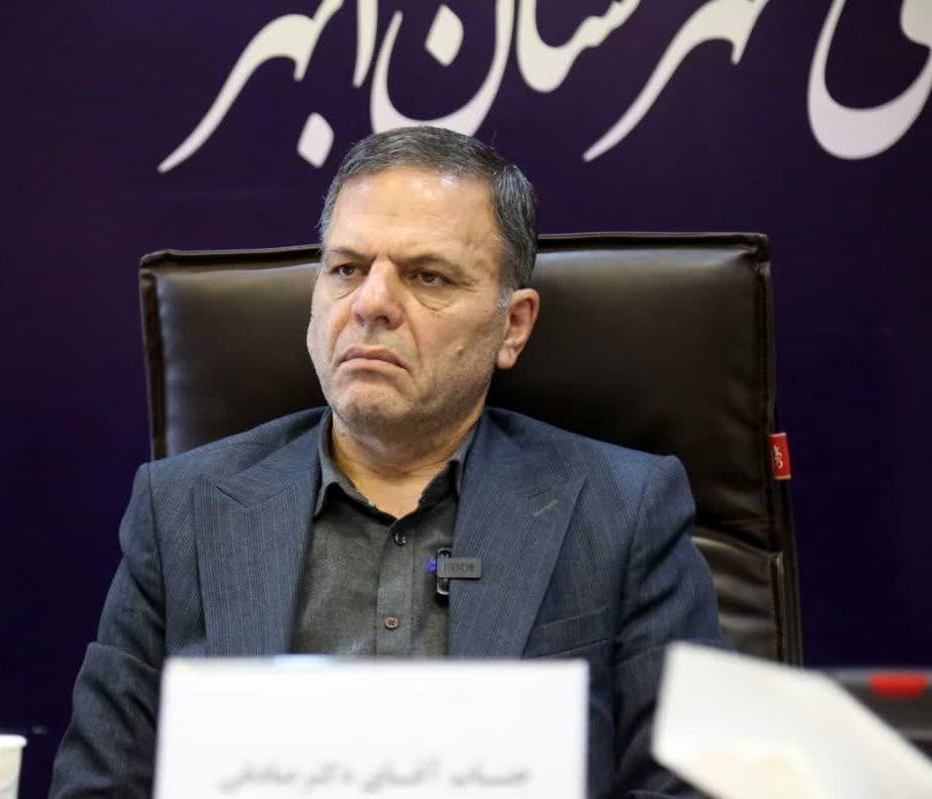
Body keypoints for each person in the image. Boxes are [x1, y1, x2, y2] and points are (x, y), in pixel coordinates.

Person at [50, 126, 723, 798]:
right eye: (346, 269)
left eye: (428, 276)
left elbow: (685, 787)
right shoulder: (182, 510)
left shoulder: (625, 510)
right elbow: (99, 787)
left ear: (513, 326)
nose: (371, 304)